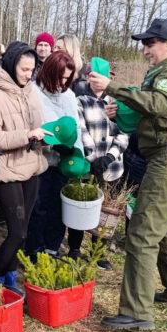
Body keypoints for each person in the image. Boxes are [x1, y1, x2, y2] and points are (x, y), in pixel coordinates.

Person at [89, 18, 167, 330]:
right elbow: (156, 116)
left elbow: (160, 105)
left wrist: (112, 87)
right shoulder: (163, 72)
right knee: (161, 226)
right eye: (144, 43)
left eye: (150, 43)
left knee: (141, 232)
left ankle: (137, 313)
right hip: (166, 156)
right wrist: (122, 112)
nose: (145, 49)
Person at [0, 41, 47, 288]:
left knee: (25, 228)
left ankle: (10, 276)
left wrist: (48, 135)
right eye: (24, 69)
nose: (28, 74)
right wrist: (27, 135)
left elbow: (39, 123)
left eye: (31, 70)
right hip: (8, 170)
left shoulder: (32, 90)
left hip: (32, 168)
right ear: (11, 65)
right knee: (17, 232)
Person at [67, 58, 129, 270]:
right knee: (82, 204)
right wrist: (93, 158)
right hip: (88, 165)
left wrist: (110, 157)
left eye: (97, 77)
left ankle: (98, 251)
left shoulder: (117, 103)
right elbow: (80, 130)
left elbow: (124, 132)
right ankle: (74, 248)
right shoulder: (80, 101)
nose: (93, 81)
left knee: (105, 210)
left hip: (111, 167)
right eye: (90, 77)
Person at [24, 51, 87, 258]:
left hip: (62, 161)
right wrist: (48, 141)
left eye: (67, 78)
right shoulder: (33, 93)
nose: (63, 82)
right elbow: (30, 126)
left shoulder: (69, 96)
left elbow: (75, 127)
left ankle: (52, 247)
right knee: (39, 208)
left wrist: (76, 152)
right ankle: (34, 250)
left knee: (58, 207)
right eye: (60, 77)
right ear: (49, 72)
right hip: (40, 161)